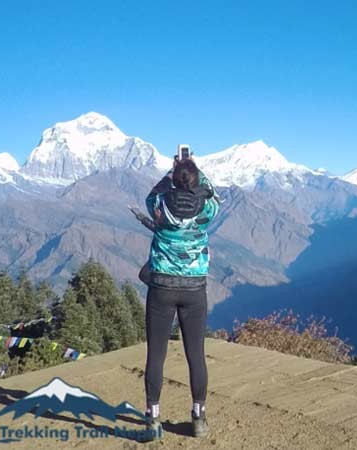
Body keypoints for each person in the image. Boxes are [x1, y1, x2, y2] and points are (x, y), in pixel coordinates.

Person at [132, 148, 220, 441]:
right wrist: (195, 168)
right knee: (196, 355)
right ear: (194, 182)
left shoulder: (159, 204)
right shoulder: (206, 210)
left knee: (156, 354)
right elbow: (216, 198)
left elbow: (150, 195)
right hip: (195, 290)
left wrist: (173, 172)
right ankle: (198, 418)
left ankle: (152, 420)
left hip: (161, 289)